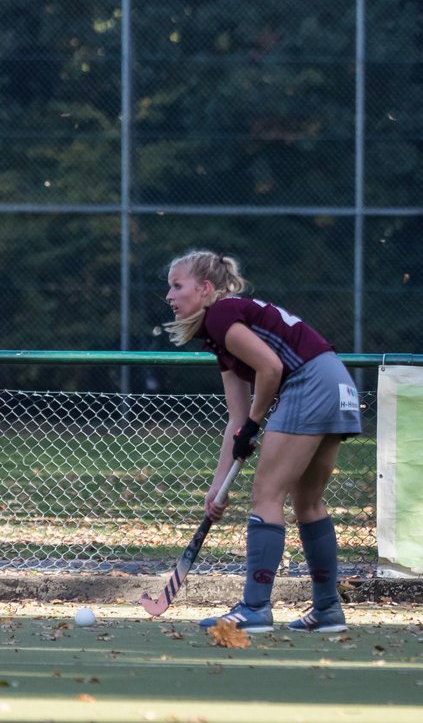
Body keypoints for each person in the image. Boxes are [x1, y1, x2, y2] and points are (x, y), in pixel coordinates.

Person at [163, 249, 361, 634]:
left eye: (176, 286)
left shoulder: (221, 315)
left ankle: (254, 607)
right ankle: (327, 609)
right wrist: (217, 486)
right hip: (336, 381)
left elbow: (271, 369)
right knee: (307, 502)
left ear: (205, 289)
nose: (169, 296)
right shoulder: (219, 335)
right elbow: (236, 420)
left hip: (311, 382)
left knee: (267, 495)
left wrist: (255, 424)